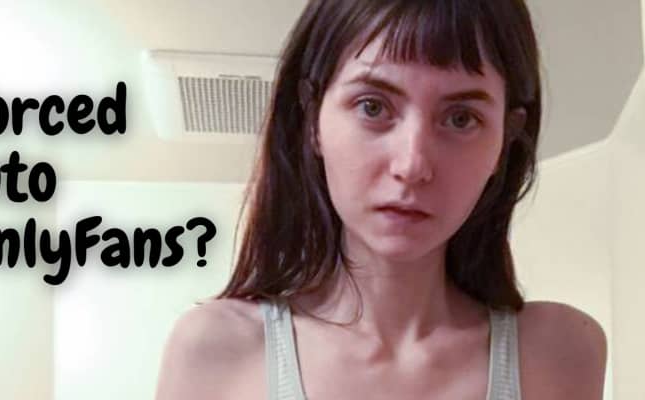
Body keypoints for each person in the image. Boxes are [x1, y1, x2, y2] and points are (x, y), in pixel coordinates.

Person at [155, 0, 607, 399]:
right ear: (313, 121)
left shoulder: (561, 354)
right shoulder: (215, 351)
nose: (412, 165)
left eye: (461, 118)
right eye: (373, 106)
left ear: (504, 141)